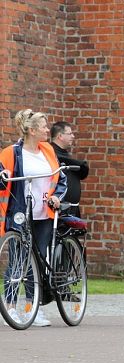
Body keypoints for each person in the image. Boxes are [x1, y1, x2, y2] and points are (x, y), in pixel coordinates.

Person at [0, 109, 67, 327]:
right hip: (19, 213)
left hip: (43, 214)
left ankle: (32, 307)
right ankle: (10, 307)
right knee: (18, 260)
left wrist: (56, 196)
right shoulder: (12, 153)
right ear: (31, 130)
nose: (48, 129)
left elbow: (60, 177)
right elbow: (2, 178)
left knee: (37, 262)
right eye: (44, 126)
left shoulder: (47, 150)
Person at [50, 121, 89, 217]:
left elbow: (83, 172)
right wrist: (81, 164)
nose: (73, 136)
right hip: (58, 209)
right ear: (60, 136)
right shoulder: (51, 153)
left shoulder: (65, 155)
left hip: (72, 208)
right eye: (70, 133)